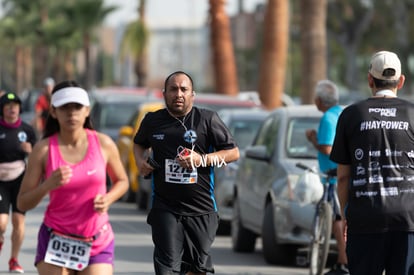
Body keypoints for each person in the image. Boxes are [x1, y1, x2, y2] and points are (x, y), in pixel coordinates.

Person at [17, 80, 129, 275]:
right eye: (64, 108)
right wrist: (47, 186)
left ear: (86, 110)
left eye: (77, 107)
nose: (71, 113)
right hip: (56, 240)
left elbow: (122, 181)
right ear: (53, 112)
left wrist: (108, 198)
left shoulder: (104, 144)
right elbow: (22, 203)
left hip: (96, 239)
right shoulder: (43, 150)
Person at [133, 71, 240, 275]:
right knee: (167, 268)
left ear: (193, 94)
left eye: (184, 89)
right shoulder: (153, 121)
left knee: (196, 269)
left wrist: (202, 160)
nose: (178, 94)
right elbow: (139, 143)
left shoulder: (207, 119)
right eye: (173, 89)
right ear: (164, 94)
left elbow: (233, 153)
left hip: (201, 209)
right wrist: (140, 161)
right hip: (165, 207)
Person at [330, 50, 414, 275]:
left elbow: (343, 177)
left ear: (370, 80)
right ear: (401, 81)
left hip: (365, 217)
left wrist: (345, 215)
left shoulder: (351, 115)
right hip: (408, 219)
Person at [305, 80, 348, 275]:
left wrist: (313, 139)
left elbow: (326, 147)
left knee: (337, 217)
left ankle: (343, 259)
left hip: (334, 175)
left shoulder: (328, 118)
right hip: (342, 173)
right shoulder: (342, 112)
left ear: (320, 100)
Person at [0, 92, 37, 273]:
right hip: (0, 180)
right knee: (1, 223)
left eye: (15, 105)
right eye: (8, 106)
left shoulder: (27, 130)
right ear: (2, 110)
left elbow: (38, 155)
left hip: (20, 178)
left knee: (18, 221)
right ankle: (1, 239)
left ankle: (14, 259)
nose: (12, 109)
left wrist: (31, 151)